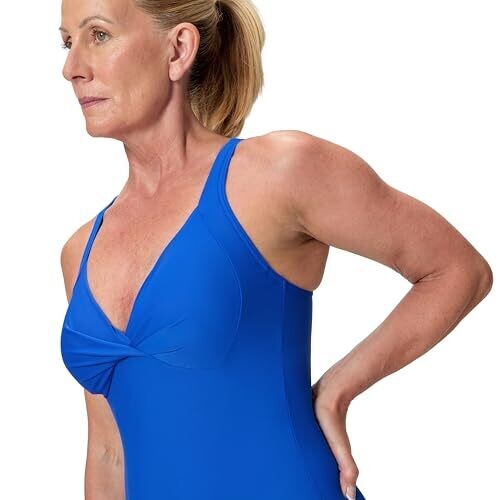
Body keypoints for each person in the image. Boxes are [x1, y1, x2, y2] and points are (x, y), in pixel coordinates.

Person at [58, 0, 493, 499]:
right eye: (67, 43)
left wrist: (337, 389)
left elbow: (457, 269)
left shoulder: (278, 173)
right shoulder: (79, 252)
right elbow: (109, 451)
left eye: (98, 36)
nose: (72, 68)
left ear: (178, 50)